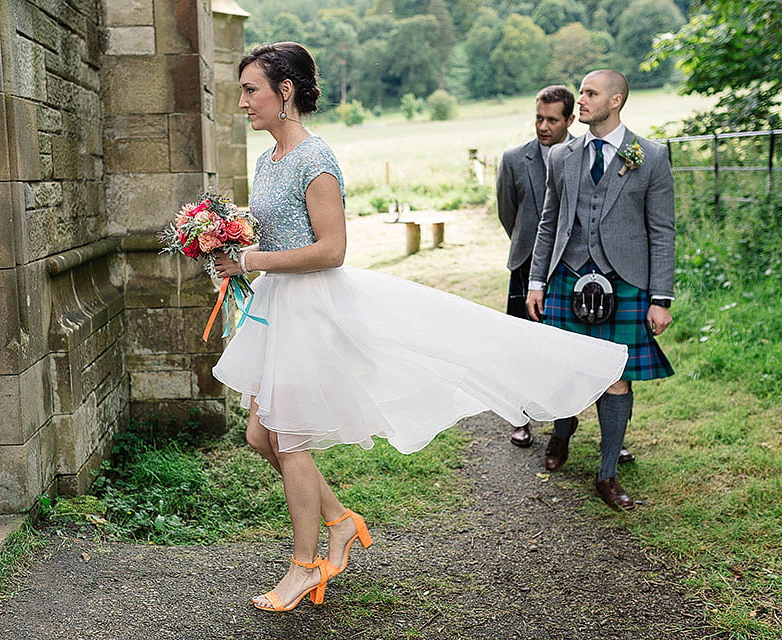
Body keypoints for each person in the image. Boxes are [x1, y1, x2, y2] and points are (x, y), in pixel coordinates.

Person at [211, 43, 628, 612]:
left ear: (285, 92)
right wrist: (230, 244)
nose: (241, 102)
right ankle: (338, 522)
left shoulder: (316, 159)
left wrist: (251, 261)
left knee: (288, 437)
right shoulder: (267, 161)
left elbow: (332, 250)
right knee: (262, 436)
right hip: (276, 305)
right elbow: (280, 232)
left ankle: (304, 567)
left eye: (250, 90)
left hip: (310, 310)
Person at [526, 70, 675, 511]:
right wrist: (537, 281)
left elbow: (662, 232)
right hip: (567, 275)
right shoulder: (562, 156)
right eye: (581, 92)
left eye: (590, 93)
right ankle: (562, 432)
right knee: (567, 369)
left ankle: (607, 474)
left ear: (616, 100)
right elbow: (549, 224)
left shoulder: (650, 155)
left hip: (626, 281)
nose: (582, 100)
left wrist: (660, 297)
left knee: (616, 377)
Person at [497, 85, 575, 448]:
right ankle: (520, 417)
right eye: (539, 118)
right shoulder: (514, 159)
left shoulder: (582, 155)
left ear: (570, 120)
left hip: (570, 266)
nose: (543, 126)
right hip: (526, 263)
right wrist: (527, 247)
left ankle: (566, 417)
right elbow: (507, 212)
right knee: (521, 345)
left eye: (552, 120)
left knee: (565, 347)